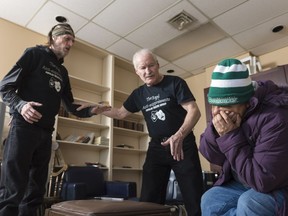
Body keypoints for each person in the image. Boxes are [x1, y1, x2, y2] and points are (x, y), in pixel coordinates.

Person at [0, 23, 110, 216]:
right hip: (23, 128)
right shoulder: (33, 54)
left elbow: (71, 106)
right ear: (53, 38)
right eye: (67, 38)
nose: (70, 44)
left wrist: (94, 110)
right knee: (13, 189)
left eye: (73, 41)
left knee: (35, 192)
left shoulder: (63, 73)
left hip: (45, 135)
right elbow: (5, 87)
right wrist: (21, 105)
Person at [97, 48, 203, 216]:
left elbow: (194, 111)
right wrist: (96, 109)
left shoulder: (175, 83)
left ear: (158, 65)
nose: (147, 71)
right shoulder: (138, 94)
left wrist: (179, 135)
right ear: (136, 71)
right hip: (157, 147)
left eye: (151, 66)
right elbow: (119, 113)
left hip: (182, 144)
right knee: (149, 199)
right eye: (142, 68)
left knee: (194, 196)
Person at [199, 58, 288, 216]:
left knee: (249, 203)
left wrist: (231, 135)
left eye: (228, 106)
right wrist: (215, 131)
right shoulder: (223, 114)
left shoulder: (275, 118)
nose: (219, 113)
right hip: (243, 183)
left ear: (247, 102)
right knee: (210, 199)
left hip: (277, 186)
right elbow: (210, 154)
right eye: (215, 105)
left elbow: (263, 180)